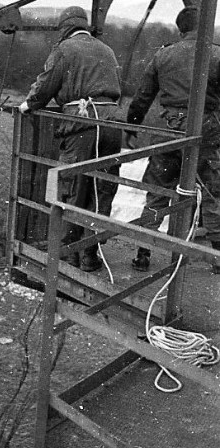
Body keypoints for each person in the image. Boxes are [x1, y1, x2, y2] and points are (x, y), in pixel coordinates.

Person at [19, 6, 122, 272]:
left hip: (82, 122)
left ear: (65, 27)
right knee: (102, 189)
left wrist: (28, 105)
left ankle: (68, 255)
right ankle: (89, 255)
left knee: (73, 188)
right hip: (111, 123)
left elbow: (45, 85)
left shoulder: (64, 50)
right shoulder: (107, 50)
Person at [125, 6, 220, 274]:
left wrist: (131, 128)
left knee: (157, 191)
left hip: (168, 131)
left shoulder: (163, 55)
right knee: (213, 193)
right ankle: (218, 258)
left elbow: (142, 97)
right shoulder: (216, 54)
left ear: (180, 30)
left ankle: (143, 253)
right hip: (206, 132)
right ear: (204, 28)